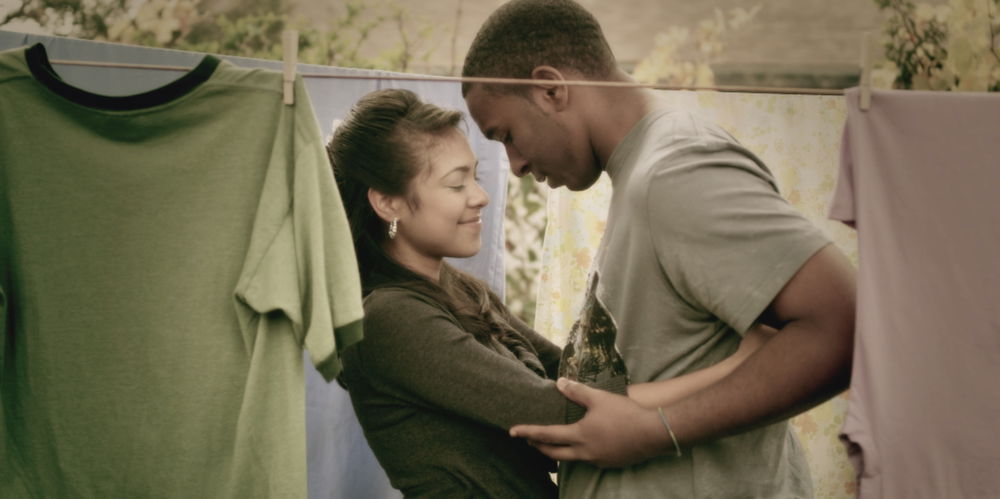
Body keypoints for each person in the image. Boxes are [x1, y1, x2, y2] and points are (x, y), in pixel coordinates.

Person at [460, 0, 857, 497]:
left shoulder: (676, 172)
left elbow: (844, 322)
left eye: (507, 135)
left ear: (550, 88)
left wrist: (655, 431)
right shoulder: (643, 173)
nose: (514, 165)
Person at [328, 88, 778, 498]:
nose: (480, 196)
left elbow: (570, 372)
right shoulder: (388, 318)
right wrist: (738, 368)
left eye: (476, 177)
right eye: (456, 183)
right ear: (387, 202)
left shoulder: (459, 288)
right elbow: (565, 414)